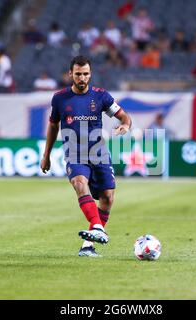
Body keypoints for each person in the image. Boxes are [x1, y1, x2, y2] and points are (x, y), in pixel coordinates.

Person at [40, 55, 132, 257]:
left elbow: (124, 115)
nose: (82, 78)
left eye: (86, 74)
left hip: (98, 153)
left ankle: (88, 245)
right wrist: (46, 155)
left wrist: (125, 124)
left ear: (90, 74)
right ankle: (98, 227)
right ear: (70, 74)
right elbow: (53, 125)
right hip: (74, 153)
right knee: (80, 183)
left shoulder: (101, 96)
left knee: (107, 198)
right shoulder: (60, 98)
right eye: (78, 74)